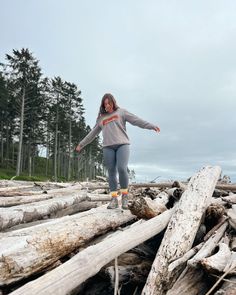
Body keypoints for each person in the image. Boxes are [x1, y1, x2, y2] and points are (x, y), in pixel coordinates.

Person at [75, 93, 160, 210]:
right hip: (108, 147)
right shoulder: (101, 118)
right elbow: (92, 133)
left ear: (113, 102)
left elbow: (136, 120)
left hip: (122, 145)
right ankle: (114, 199)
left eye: (109, 103)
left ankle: (125, 197)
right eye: (105, 104)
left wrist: (150, 126)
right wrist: (81, 144)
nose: (107, 106)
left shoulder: (121, 112)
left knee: (121, 168)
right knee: (111, 172)